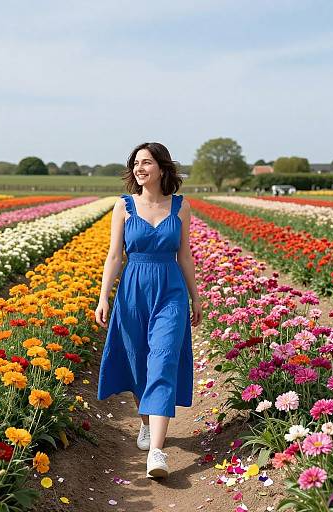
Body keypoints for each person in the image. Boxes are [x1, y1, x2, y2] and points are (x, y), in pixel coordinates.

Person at [95, 142, 203, 479]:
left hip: (169, 290)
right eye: (136, 163)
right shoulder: (123, 206)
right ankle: (145, 421)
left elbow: (184, 255)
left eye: (147, 162)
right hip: (132, 290)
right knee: (138, 358)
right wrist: (103, 297)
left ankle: (157, 451)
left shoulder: (180, 207)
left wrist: (195, 297)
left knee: (164, 358)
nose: (140, 168)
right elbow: (115, 255)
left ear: (161, 168)